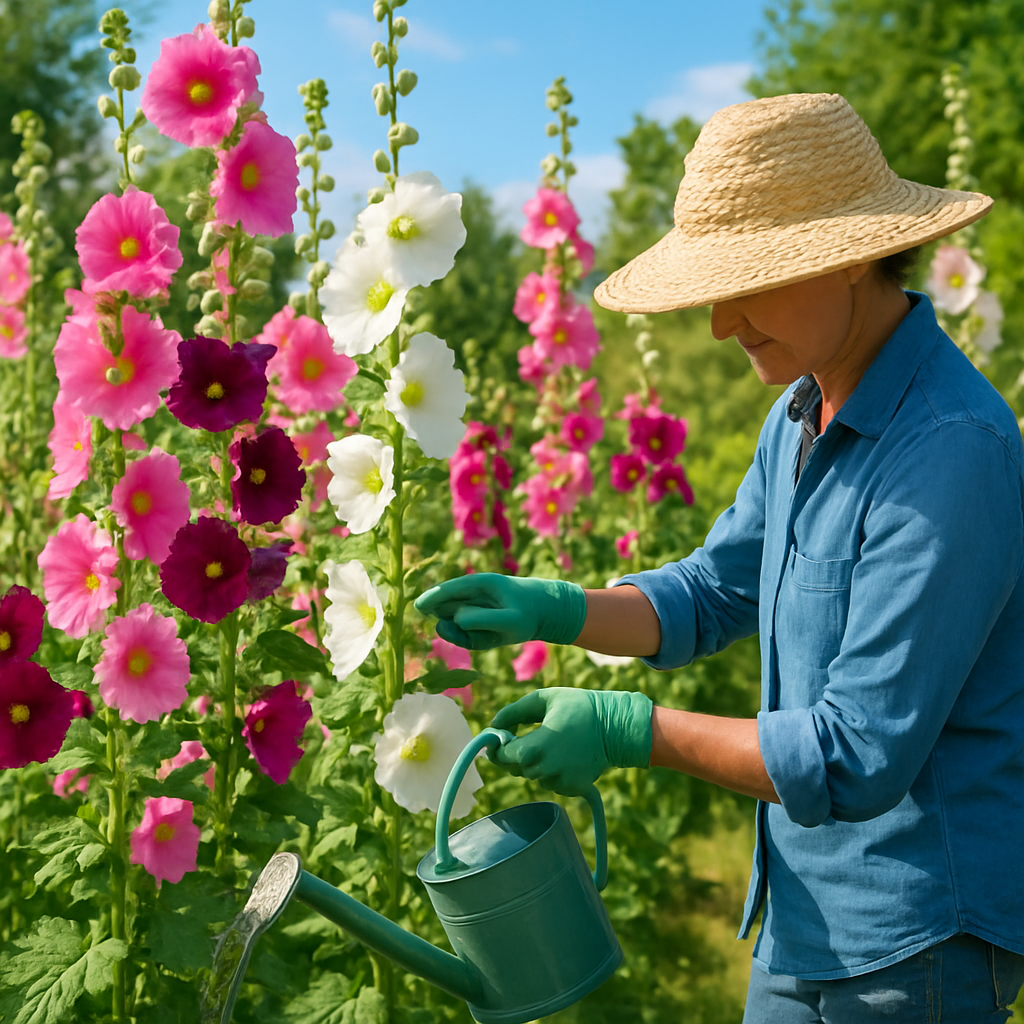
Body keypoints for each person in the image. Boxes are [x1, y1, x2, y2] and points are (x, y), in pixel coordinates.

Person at [414, 93, 1024, 1021]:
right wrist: (557, 609)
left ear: (849, 256)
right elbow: (712, 592)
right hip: (801, 915)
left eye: (750, 284)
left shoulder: (949, 449)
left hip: (917, 941)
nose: (720, 323)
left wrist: (632, 731)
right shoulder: (802, 414)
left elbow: (856, 753)